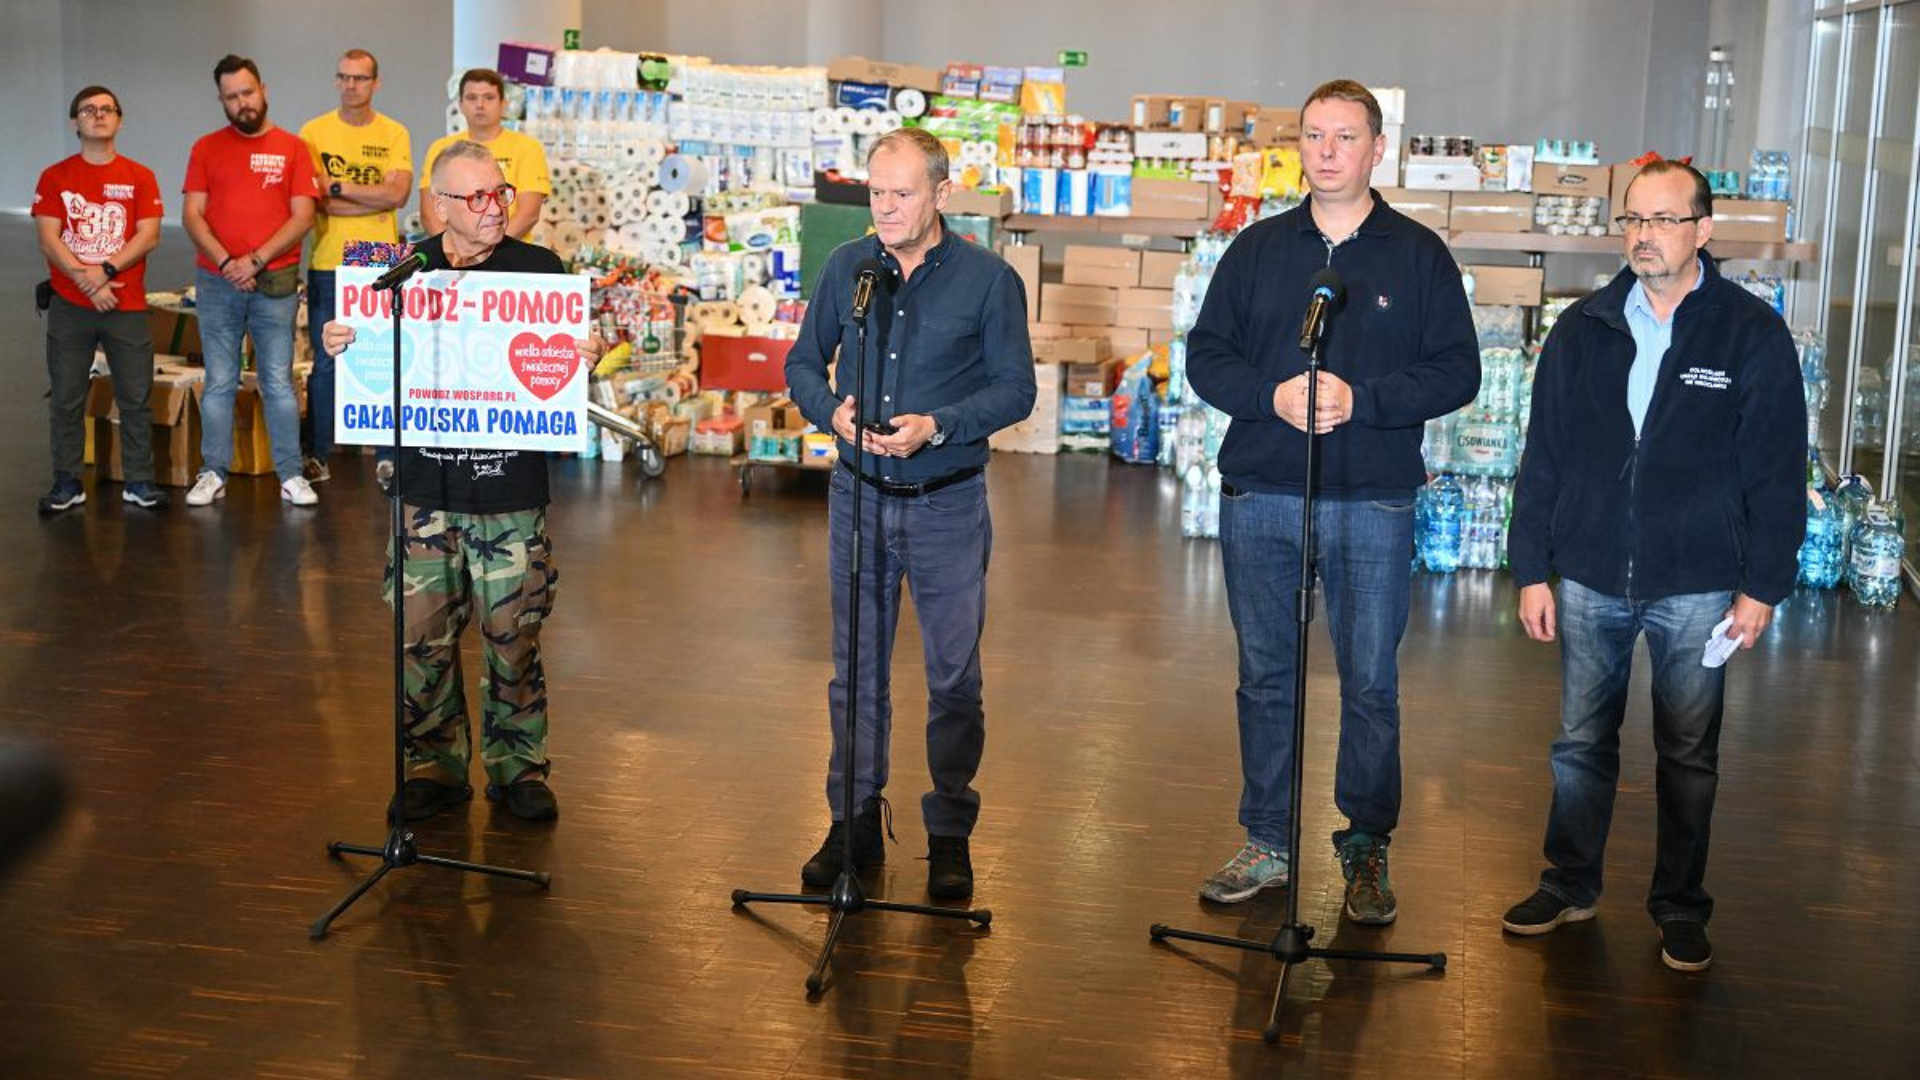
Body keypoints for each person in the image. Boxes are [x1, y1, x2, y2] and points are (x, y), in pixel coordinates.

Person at [1184, 80, 1479, 924]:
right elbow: (1206, 355)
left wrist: (1367, 400)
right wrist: (1268, 396)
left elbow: (1460, 371)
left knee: (1371, 683)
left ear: (1376, 148)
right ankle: (1268, 840)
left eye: (1344, 136)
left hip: (1374, 499)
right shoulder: (1259, 250)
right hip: (1264, 492)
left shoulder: (1418, 255)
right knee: (1265, 677)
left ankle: (1365, 848)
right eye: (1313, 135)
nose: (1326, 151)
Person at [1501, 159, 1805, 972]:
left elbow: (1778, 470)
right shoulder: (1585, 326)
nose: (1643, 235)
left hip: (1699, 581)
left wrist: (1763, 585)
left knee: (1688, 754)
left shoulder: (1749, 333)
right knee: (1579, 745)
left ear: (1703, 231)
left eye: (1664, 220)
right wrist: (1532, 565)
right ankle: (1570, 883)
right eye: (1633, 219)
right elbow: (1545, 457)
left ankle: (1679, 906)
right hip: (1593, 572)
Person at [783, 127, 1035, 900]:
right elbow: (801, 362)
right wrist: (834, 415)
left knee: (953, 676)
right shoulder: (846, 268)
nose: (885, 208)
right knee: (854, 672)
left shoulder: (990, 281)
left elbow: (1015, 390)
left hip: (946, 504)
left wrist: (940, 424)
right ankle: (852, 820)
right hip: (857, 499)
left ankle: (950, 829)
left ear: (941, 195)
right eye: (876, 192)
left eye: (902, 194)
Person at [322, 140, 598, 823]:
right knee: (421, 641)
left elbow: (557, 378)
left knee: (515, 636)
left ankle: (518, 766)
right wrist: (337, 344)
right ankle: (432, 767)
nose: (494, 207)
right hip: (423, 494)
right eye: (475, 197)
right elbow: (360, 368)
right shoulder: (392, 271)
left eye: (499, 192)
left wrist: (585, 357)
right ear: (437, 205)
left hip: (509, 494)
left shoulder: (539, 271)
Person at [180, 54, 318, 508]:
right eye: (232, 96)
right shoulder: (204, 147)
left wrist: (254, 261)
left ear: (264, 90)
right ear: (221, 100)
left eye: (248, 92)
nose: (242, 102)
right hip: (218, 282)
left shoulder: (294, 148)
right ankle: (212, 472)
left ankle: (291, 474)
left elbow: (303, 217)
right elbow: (192, 214)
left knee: (278, 380)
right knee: (220, 380)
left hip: (274, 281)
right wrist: (227, 263)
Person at [32, 85, 167, 513]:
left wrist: (104, 271)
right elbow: (49, 238)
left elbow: (149, 235)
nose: (98, 115)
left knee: (135, 395)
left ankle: (139, 481)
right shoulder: (55, 176)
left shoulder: (140, 176)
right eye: (88, 110)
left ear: (120, 120)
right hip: (71, 306)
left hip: (124, 304)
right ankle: (68, 480)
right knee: (68, 396)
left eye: (107, 109)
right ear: (75, 122)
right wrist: (87, 282)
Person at [298, 48, 412, 485]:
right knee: (326, 361)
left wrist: (340, 187)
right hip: (329, 254)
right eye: (344, 77)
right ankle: (319, 455)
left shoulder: (394, 133)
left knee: (382, 356)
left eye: (360, 78)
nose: (351, 85)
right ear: (336, 80)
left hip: (380, 255)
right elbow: (315, 199)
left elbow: (396, 196)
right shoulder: (313, 131)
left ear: (375, 83)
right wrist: (370, 194)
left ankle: (386, 455)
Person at [418, 69, 548, 241]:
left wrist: (488, 251)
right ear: (460, 105)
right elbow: (430, 212)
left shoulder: (528, 147)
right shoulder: (441, 148)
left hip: (507, 255)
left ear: (503, 104)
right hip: (453, 260)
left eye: (489, 97)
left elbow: (528, 214)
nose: (480, 105)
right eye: (472, 98)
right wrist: (455, 251)